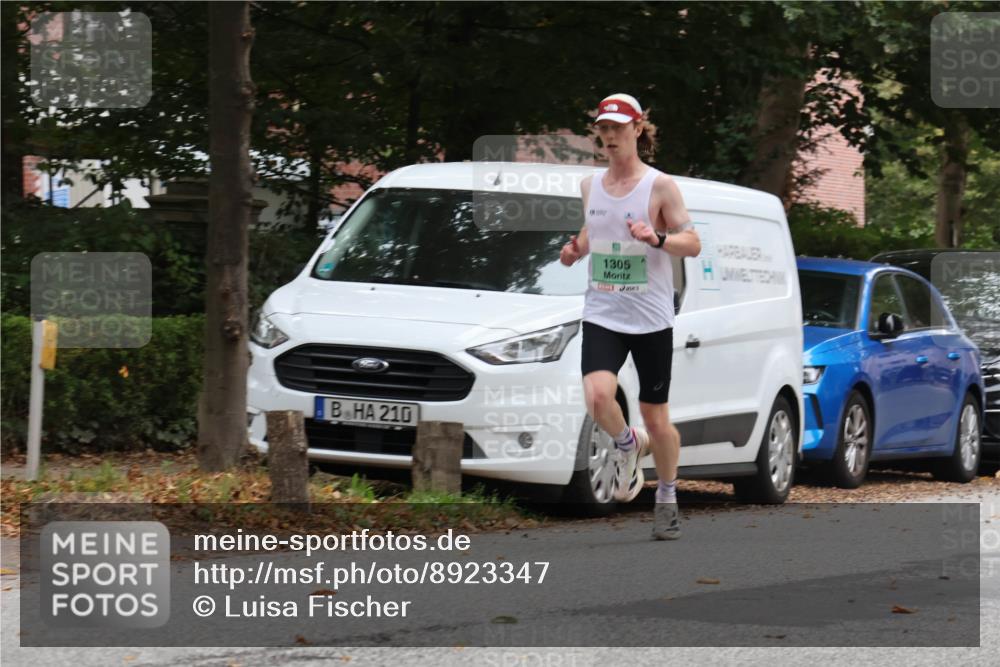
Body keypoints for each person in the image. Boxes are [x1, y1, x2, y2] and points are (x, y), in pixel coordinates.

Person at [560, 93, 701, 540]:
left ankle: (667, 497)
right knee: (599, 397)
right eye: (604, 128)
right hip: (603, 310)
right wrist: (574, 250)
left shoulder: (659, 186)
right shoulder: (590, 186)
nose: (610, 135)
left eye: (619, 127)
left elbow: (692, 242)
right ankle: (627, 444)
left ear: (639, 129)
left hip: (651, 318)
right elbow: (593, 231)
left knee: (655, 417)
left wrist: (656, 238)